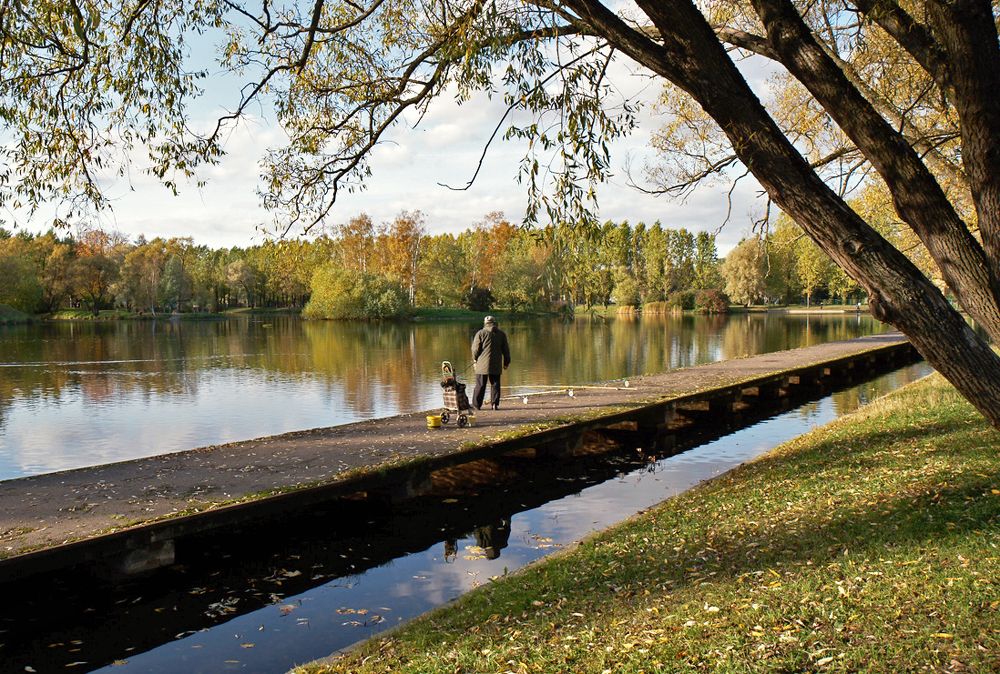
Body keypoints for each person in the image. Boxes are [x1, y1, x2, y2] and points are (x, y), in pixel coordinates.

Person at [471, 315, 511, 410]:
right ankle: (494, 405)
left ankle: (476, 405)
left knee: (480, 385)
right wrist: (506, 363)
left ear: (485, 323)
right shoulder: (501, 334)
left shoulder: (480, 333)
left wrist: (475, 359)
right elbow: (506, 350)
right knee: (495, 384)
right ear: (494, 323)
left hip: (482, 365)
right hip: (496, 364)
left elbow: (475, 349)